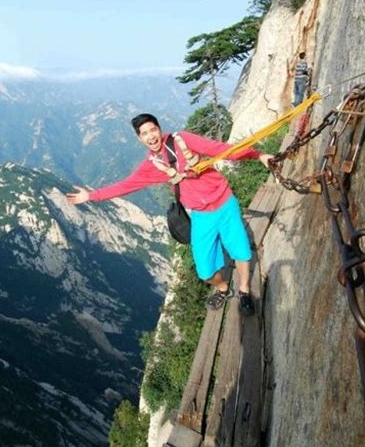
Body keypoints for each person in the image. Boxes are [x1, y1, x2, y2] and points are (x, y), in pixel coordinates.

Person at [66, 113, 273, 316]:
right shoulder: (151, 166)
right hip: (201, 215)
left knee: (241, 251)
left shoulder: (182, 140)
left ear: (159, 129)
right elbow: (125, 186)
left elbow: (221, 150)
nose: (151, 136)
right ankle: (222, 287)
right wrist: (92, 196)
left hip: (224, 202)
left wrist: (257, 155)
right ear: (140, 139)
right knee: (205, 271)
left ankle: (244, 289)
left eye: (153, 130)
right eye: (145, 133)